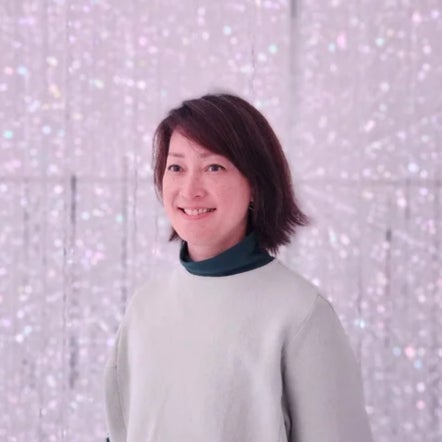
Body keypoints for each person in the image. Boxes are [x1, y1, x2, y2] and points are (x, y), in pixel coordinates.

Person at [104, 93, 373, 442]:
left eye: (213, 167)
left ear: (256, 186)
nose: (190, 189)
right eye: (176, 168)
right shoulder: (145, 307)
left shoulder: (301, 314)